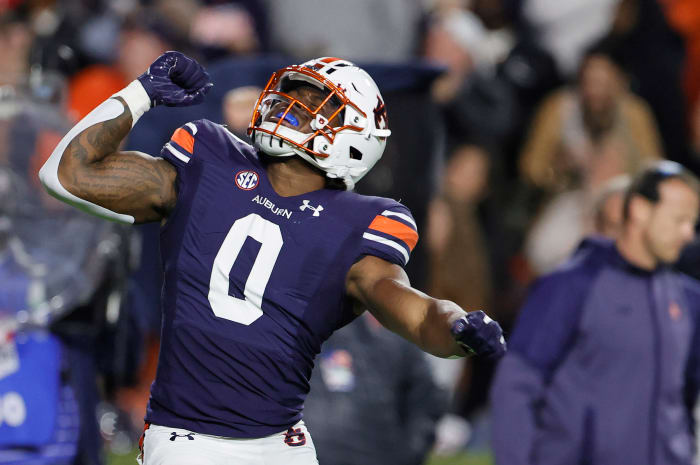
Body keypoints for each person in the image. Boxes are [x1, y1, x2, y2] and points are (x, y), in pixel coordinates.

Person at [37, 51, 506, 465]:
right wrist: (140, 94)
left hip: (282, 442)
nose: (288, 106)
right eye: (290, 95)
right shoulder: (211, 161)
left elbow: (415, 309)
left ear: (355, 136)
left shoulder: (357, 223)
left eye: (313, 103)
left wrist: (458, 327)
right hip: (189, 439)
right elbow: (67, 174)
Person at [490, 160, 700, 465]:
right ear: (640, 209)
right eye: (679, 220)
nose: (687, 234)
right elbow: (517, 387)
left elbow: (687, 399)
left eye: (693, 223)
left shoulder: (687, 300)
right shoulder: (569, 287)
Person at [303, 312, 445, 465]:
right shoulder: (300, 329)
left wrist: (407, 456)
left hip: (374, 453)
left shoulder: (400, 341)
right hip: (313, 453)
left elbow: (426, 404)